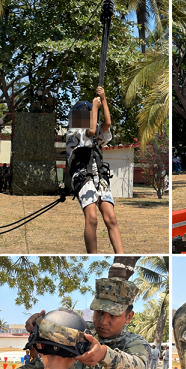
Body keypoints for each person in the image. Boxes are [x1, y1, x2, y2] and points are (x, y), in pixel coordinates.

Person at [65, 86, 125, 254]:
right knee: (91, 218)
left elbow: (107, 123)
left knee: (111, 218)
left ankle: (120, 255)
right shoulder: (73, 132)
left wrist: (103, 100)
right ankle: (93, 255)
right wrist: (94, 108)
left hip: (99, 176)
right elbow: (90, 132)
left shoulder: (96, 125)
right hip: (82, 177)